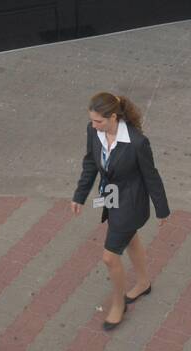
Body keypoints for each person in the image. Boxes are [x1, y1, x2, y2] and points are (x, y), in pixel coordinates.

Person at [71, 92, 169, 330]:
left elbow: (151, 175)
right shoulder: (94, 131)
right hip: (112, 198)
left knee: (109, 257)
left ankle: (118, 304)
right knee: (130, 238)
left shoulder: (137, 142)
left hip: (131, 203)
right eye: (92, 121)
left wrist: (162, 209)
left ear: (113, 117)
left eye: (98, 121)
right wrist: (80, 195)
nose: (93, 125)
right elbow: (91, 163)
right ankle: (144, 282)